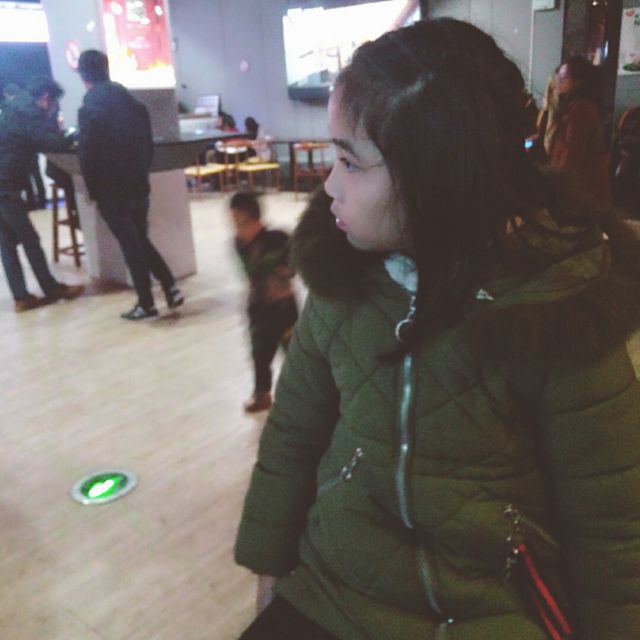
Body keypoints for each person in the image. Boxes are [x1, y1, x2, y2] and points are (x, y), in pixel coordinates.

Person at [234, 19, 640, 640]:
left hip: (489, 611)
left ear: (439, 175)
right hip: (334, 588)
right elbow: (293, 434)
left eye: (350, 162)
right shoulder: (342, 281)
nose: (329, 185)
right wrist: (269, 569)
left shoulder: (558, 308)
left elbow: (611, 521)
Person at [76, 49, 183, 320]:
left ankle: (147, 304)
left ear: (83, 76)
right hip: (137, 184)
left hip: (111, 189)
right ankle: (169, 286)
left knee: (131, 246)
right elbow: (147, 146)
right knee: (139, 240)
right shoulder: (133, 104)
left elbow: (87, 153)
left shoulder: (90, 108)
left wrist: (93, 190)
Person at [0, 77, 83, 312]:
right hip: (6, 185)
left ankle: (21, 297)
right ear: (46, 98)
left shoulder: (13, 107)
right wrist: (73, 134)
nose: (54, 109)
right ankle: (51, 289)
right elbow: (52, 143)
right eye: (54, 104)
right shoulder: (30, 112)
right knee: (30, 239)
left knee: (6, 243)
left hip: (3, 183)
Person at [229, 192, 298, 413]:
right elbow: (253, 273)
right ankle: (262, 395)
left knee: (296, 356)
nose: (237, 228)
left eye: (240, 222)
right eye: (234, 222)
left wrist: (281, 266)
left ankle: (307, 399)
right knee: (260, 355)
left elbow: (292, 270)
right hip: (259, 307)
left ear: (255, 220)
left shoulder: (278, 239)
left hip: (284, 307)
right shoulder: (240, 244)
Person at [546, 56, 611, 205]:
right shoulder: (573, 108)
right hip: (578, 190)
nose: (558, 81)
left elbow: (571, 155)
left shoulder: (581, 111)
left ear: (579, 82)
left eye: (563, 77)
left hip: (583, 193)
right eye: (558, 77)